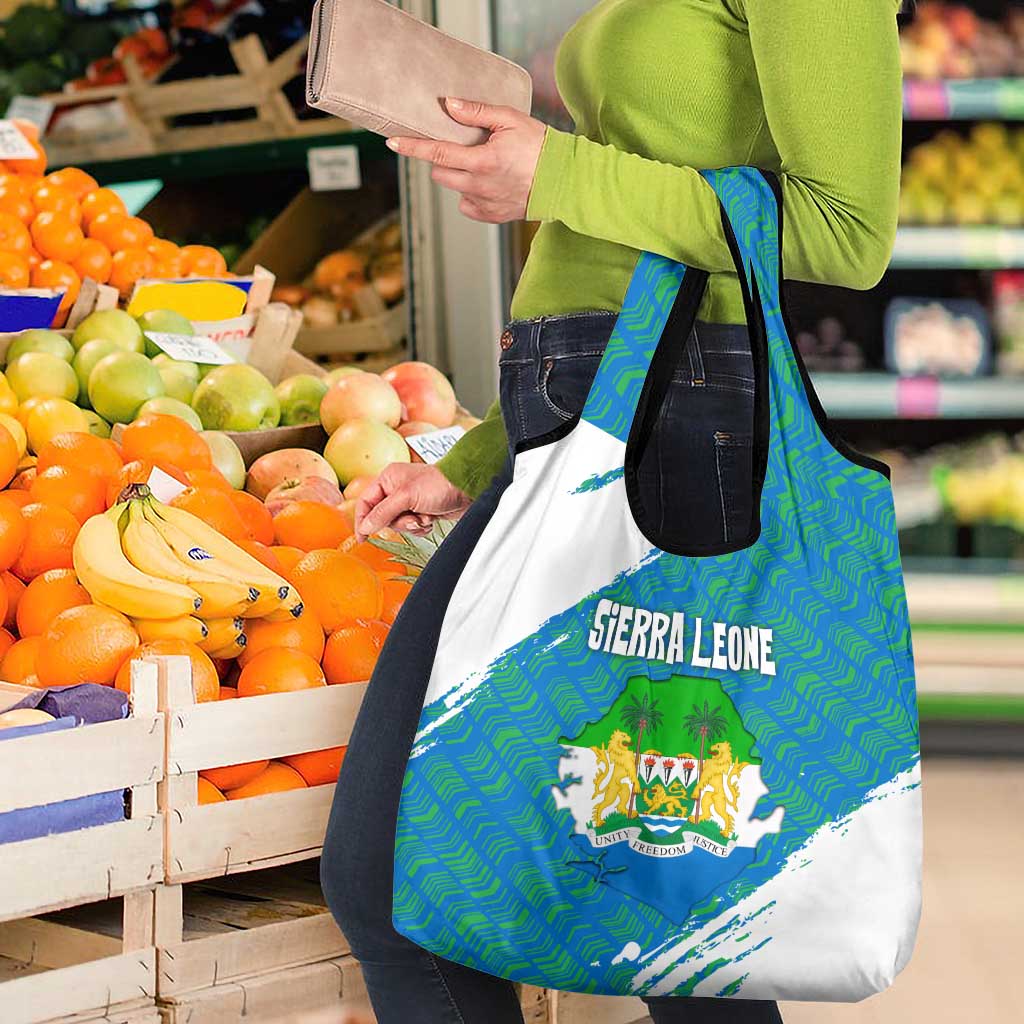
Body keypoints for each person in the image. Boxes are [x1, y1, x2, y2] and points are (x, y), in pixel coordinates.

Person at [321, 2, 907, 1021]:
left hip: (685, 439)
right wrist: (480, 458)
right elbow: (621, 246)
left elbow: (847, 230)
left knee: (650, 912)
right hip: (594, 426)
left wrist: (556, 172)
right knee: (656, 920)